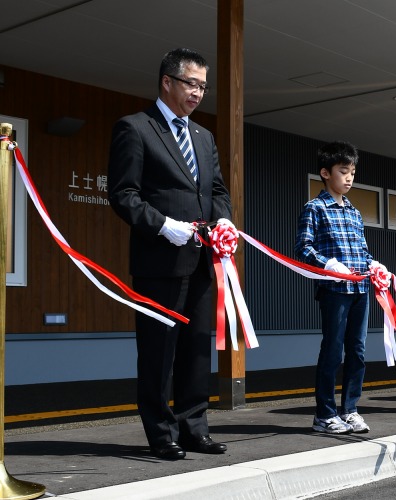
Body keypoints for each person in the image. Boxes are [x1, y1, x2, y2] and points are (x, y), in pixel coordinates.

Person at [108, 48, 231, 460]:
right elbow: (123, 194)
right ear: (167, 82)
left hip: (201, 261)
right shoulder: (136, 128)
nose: (198, 92)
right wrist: (164, 225)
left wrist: (225, 221)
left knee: (197, 348)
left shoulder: (204, 136)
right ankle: (161, 435)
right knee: (159, 351)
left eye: (203, 86)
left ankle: (194, 428)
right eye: (191, 83)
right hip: (159, 261)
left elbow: (215, 191)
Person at [295, 140, 380, 435]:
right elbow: (303, 249)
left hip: (360, 290)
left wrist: (374, 265)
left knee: (357, 351)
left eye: (352, 172)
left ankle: (351, 410)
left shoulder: (355, 213)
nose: (349, 178)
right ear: (325, 173)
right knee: (332, 350)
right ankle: (325, 414)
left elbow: (363, 252)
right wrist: (328, 264)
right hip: (334, 292)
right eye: (343, 171)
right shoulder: (314, 208)